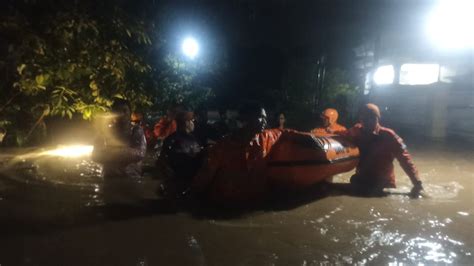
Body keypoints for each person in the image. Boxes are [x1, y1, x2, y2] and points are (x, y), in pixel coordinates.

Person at [346, 103, 424, 196]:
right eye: (364, 119)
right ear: (360, 119)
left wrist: (416, 182)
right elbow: (341, 136)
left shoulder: (389, 136)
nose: (367, 122)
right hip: (362, 180)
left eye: (371, 118)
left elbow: (405, 159)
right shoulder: (355, 131)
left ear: (377, 119)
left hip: (384, 184)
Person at [92, 98, 147, 203]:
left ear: (130, 113)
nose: (121, 114)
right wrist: (124, 153)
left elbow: (139, 154)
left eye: (125, 111)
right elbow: (95, 155)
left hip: (131, 179)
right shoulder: (104, 132)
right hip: (109, 179)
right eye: (118, 111)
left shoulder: (136, 131)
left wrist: (109, 153)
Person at [159, 110, 203, 183]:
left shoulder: (170, 139)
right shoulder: (194, 139)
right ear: (185, 123)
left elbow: (162, 161)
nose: (191, 123)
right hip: (186, 179)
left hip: (177, 179)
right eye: (190, 121)